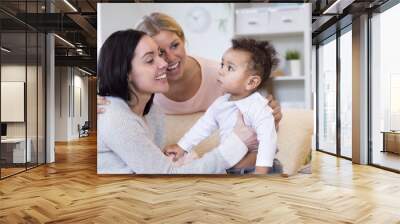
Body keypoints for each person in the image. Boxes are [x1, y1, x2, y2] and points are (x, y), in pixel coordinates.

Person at [98, 12, 283, 170]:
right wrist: (182, 146)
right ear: (126, 72)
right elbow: (204, 126)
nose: (165, 61)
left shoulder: (154, 110)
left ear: (183, 40)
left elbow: (265, 136)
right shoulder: (125, 112)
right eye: (153, 56)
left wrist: (267, 114)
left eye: (174, 45)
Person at [164, 38, 279, 174]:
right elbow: (203, 126)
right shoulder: (220, 103)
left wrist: (260, 172)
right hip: (231, 170)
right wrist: (182, 147)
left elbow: (268, 141)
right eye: (222, 64)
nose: (221, 71)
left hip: (260, 168)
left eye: (230, 68)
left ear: (251, 82)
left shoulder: (258, 106)